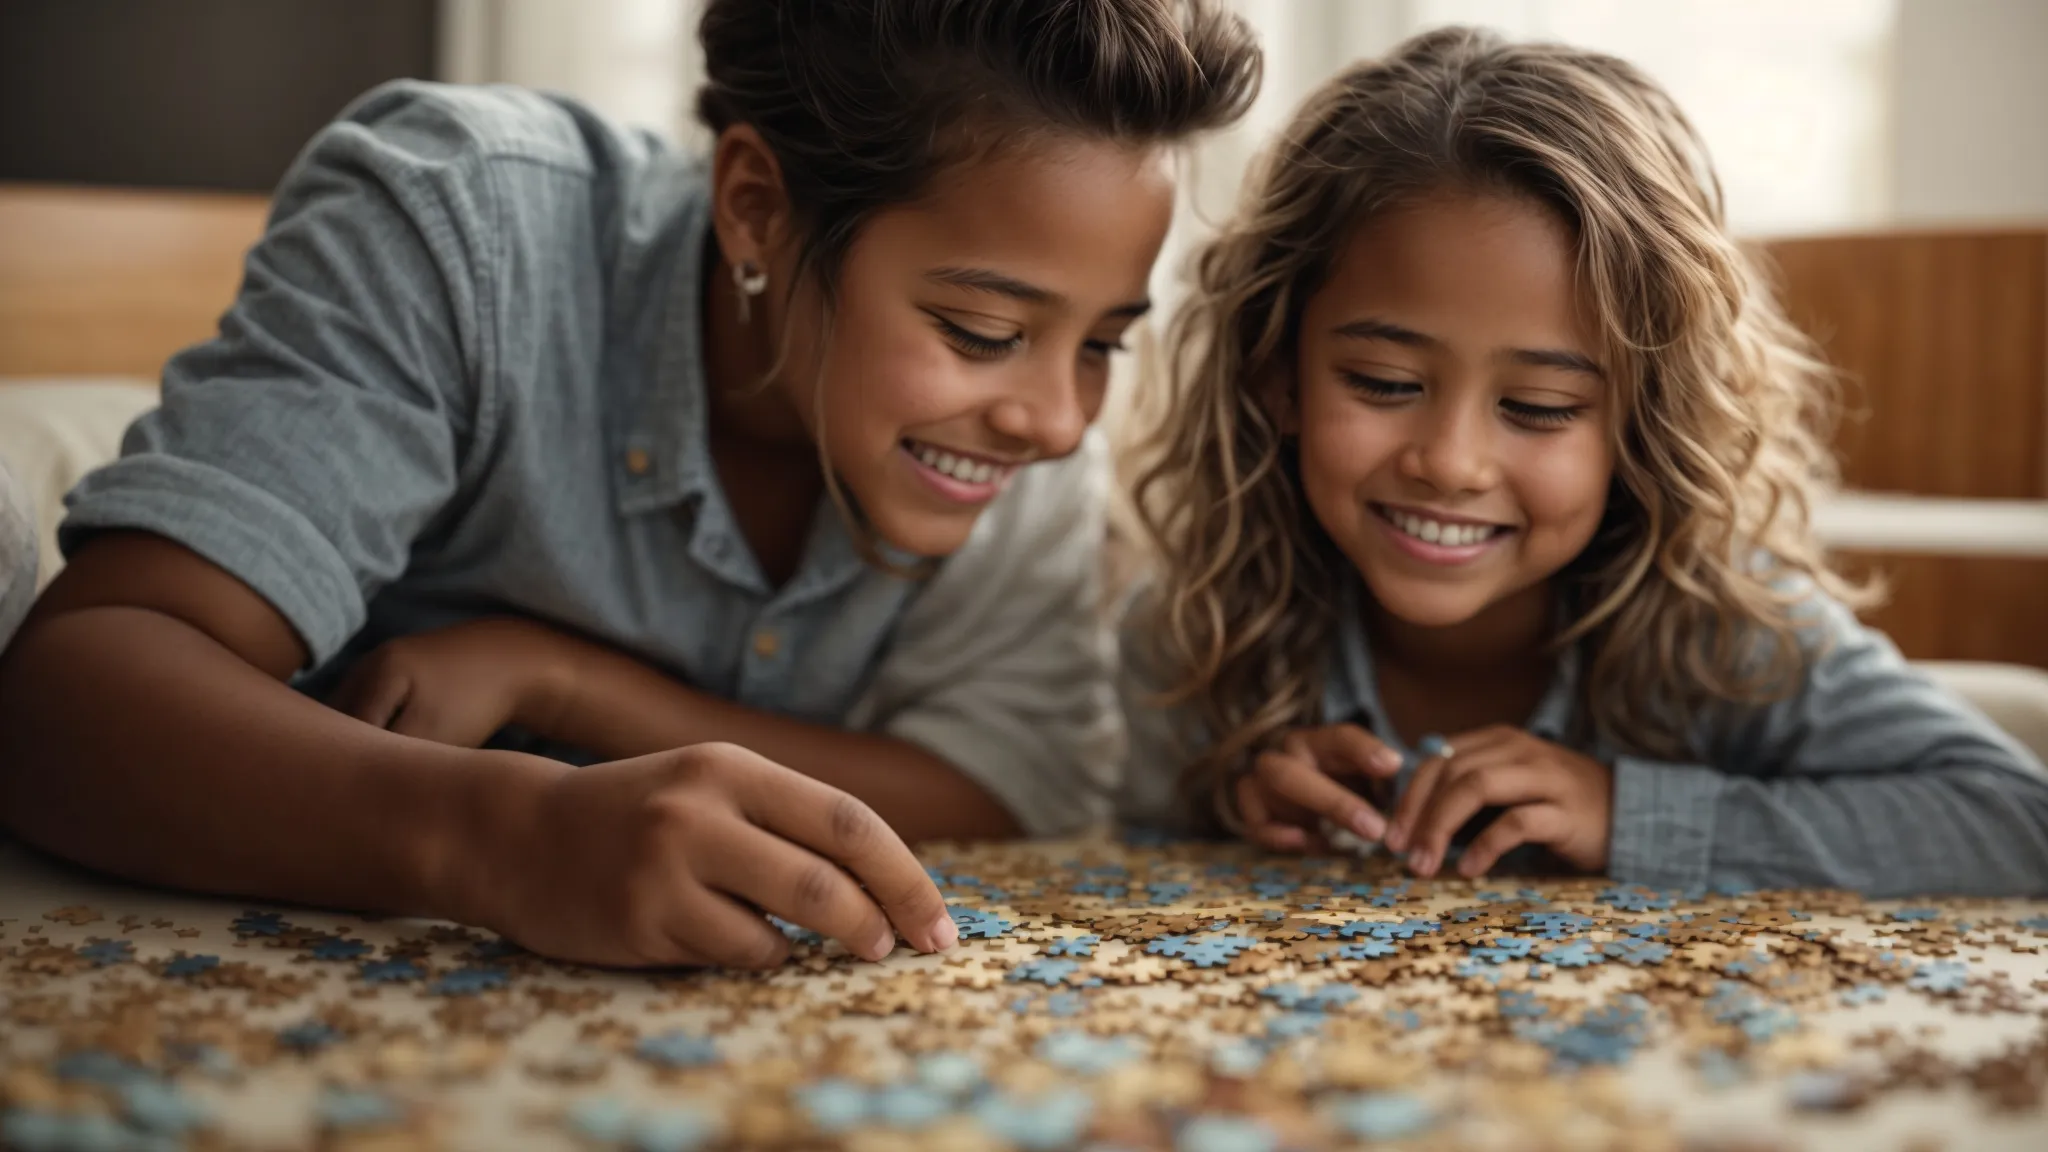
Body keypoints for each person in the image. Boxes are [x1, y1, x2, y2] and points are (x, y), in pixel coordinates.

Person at [0, 0, 1262, 967]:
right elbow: (65, 697)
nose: (1053, 419)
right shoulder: (463, 224)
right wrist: (501, 835)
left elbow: (1012, 787)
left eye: (1103, 341)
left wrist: (576, 684)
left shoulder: (1015, 437)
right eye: (981, 331)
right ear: (757, 206)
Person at [1117, 26, 2048, 897]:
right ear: (1280, 379)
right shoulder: (1197, 634)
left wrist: (1632, 817)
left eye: (1539, 407)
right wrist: (1230, 810)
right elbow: (1095, 853)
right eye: (1385, 382)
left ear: (1645, 425)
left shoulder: (1729, 640)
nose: (1452, 462)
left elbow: (2016, 822)